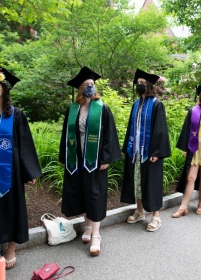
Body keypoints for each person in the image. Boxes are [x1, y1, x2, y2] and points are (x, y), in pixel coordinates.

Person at [59, 66, 121, 256]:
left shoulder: (102, 108)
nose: (90, 87)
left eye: (92, 84)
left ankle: (96, 234)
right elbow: (66, 135)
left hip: (95, 160)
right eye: (87, 85)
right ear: (80, 88)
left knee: (95, 194)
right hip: (77, 159)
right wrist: (65, 156)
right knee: (82, 192)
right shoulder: (73, 109)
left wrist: (106, 158)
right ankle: (87, 227)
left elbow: (110, 135)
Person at [0, 66, 42, 269]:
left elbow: (25, 144)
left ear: (4, 87)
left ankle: (10, 250)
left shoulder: (16, 115)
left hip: (11, 171)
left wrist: (29, 171)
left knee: (12, 208)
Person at [121, 69, 171, 232]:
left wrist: (157, 152)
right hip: (135, 151)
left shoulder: (156, 104)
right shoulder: (136, 104)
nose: (141, 86)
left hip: (150, 153)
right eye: (139, 83)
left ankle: (156, 216)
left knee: (152, 183)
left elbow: (161, 130)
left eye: (144, 83)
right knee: (137, 181)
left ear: (150, 86)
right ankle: (140, 211)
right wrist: (126, 148)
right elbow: (131, 127)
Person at [172, 83, 201, 217]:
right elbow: (186, 129)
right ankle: (183, 207)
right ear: (199, 96)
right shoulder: (193, 111)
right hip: (195, 148)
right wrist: (184, 148)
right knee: (190, 177)